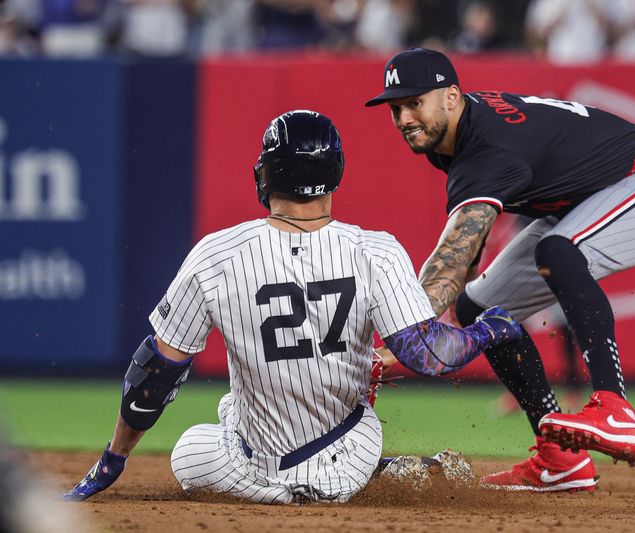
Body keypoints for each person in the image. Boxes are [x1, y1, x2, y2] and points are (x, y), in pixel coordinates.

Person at [63, 110, 523, 504]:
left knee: (191, 447)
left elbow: (157, 371)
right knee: (254, 416)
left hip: (253, 472)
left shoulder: (217, 254)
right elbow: (427, 354)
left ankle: (316, 474)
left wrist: (113, 459)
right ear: (336, 172)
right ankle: (382, 472)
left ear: (266, 174)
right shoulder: (374, 250)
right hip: (349, 460)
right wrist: (490, 328)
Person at [365, 48, 635, 492]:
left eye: (414, 102)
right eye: (396, 107)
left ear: (450, 96)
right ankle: (560, 459)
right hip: (580, 199)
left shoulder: (484, 148)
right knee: (478, 306)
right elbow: (470, 247)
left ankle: (614, 408)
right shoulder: (454, 135)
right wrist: (425, 325)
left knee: (557, 251)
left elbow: (451, 256)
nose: (405, 116)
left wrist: (405, 331)